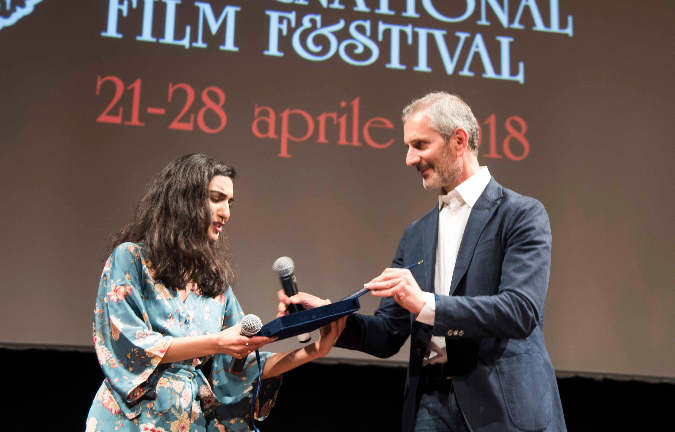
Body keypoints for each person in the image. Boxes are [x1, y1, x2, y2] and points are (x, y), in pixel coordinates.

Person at [278, 93, 566, 432]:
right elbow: (388, 333)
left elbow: (521, 311)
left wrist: (427, 305)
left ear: (459, 141)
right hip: (430, 405)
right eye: (408, 146)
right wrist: (328, 315)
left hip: (502, 405)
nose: (409, 158)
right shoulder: (417, 233)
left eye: (420, 145)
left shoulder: (520, 214)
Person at [86, 153, 345, 432]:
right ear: (184, 200)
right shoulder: (131, 259)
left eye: (229, 202)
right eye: (216, 199)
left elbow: (241, 367)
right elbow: (131, 345)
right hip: (129, 418)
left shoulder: (214, 285)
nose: (226, 213)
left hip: (187, 421)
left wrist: (315, 350)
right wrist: (218, 342)